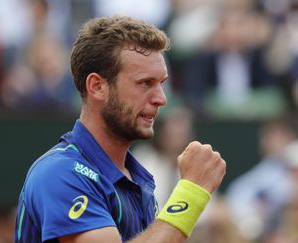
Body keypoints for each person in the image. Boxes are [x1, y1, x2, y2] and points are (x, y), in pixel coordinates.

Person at [14, 16, 226, 243]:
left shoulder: (139, 180)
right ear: (97, 87)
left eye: (161, 84)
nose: (161, 99)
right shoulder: (60, 173)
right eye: (145, 83)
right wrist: (191, 192)